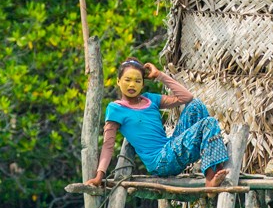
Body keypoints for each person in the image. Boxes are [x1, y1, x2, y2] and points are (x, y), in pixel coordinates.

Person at [87, 58, 230, 188]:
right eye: (127, 80)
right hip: (160, 162)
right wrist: (100, 175)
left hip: (170, 148)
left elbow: (187, 97)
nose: (132, 84)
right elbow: (108, 145)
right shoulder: (115, 109)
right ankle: (210, 178)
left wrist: (159, 75)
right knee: (209, 122)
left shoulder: (150, 99)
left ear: (143, 84)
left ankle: (214, 169)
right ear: (118, 81)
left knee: (196, 105)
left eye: (137, 81)